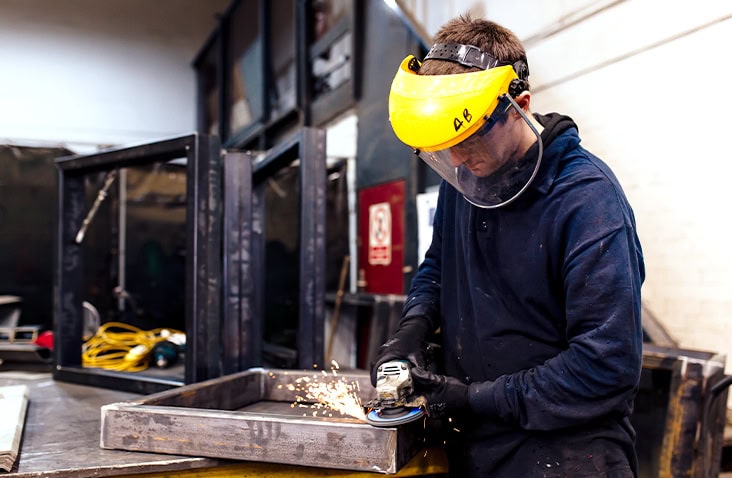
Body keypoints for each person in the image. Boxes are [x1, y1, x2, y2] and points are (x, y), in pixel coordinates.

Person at [372, 14, 645, 477]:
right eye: (446, 146)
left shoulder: (587, 201)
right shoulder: (464, 178)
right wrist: (413, 327)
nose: (458, 159)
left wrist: (474, 398)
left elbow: (606, 367)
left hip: (569, 455)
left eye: (472, 137)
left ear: (519, 104)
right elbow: (439, 267)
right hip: (477, 446)